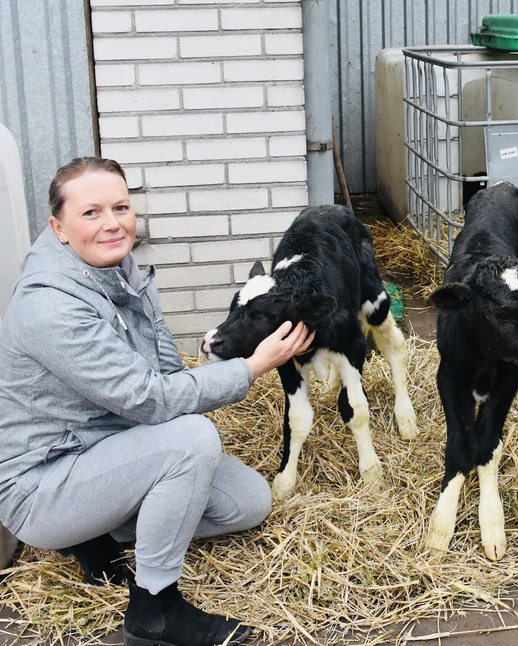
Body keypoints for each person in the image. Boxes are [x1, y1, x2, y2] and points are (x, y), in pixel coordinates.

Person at [0, 157, 314, 645]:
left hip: (107, 447)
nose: (112, 223)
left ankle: (93, 531)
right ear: (58, 228)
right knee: (190, 440)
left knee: (247, 502)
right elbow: (152, 401)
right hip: (44, 484)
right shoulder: (51, 306)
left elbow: (167, 374)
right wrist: (252, 366)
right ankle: (154, 610)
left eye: (121, 207)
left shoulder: (124, 275)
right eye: (91, 212)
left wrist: (222, 360)